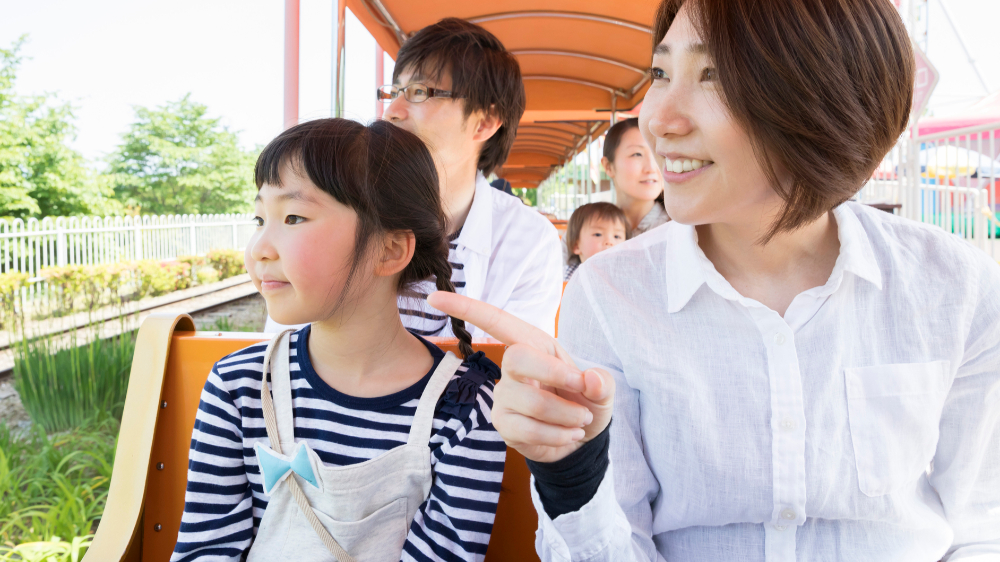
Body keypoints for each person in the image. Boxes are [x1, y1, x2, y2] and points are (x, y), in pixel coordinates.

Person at [427, 0, 1000, 560]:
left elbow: (983, 524)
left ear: (825, 98)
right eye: (660, 72)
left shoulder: (956, 288)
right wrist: (571, 474)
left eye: (714, 76)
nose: (659, 120)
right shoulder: (608, 295)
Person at [171, 119, 505, 562]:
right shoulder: (240, 387)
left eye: (293, 217)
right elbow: (205, 548)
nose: (259, 249)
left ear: (389, 250)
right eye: (259, 218)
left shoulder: (466, 410)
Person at [264, 18, 563, 338]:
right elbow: (284, 352)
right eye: (395, 92)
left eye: (419, 91)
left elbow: (515, 369)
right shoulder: (337, 209)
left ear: (484, 123)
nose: (392, 111)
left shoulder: (527, 241)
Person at [602, 117, 669, 237]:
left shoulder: (681, 229)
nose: (651, 168)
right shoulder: (589, 228)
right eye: (637, 154)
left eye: (659, 154)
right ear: (608, 167)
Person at [563, 202, 628, 281]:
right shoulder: (565, 277)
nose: (609, 242)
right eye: (598, 234)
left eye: (617, 236)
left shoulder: (626, 277)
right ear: (576, 246)